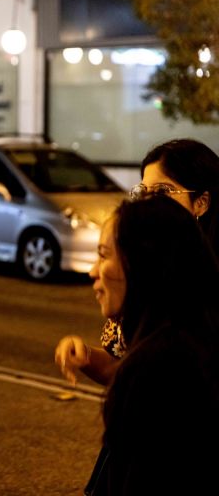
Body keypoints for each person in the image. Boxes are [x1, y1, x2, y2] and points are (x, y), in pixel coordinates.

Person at [81, 196, 219, 494]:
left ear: (141, 264)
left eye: (104, 256)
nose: (93, 271)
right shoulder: (195, 340)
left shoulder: (158, 367)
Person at [56, 138, 219, 386]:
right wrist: (86, 357)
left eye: (163, 192)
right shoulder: (148, 267)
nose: (149, 202)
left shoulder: (203, 285)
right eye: (144, 192)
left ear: (201, 203)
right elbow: (128, 369)